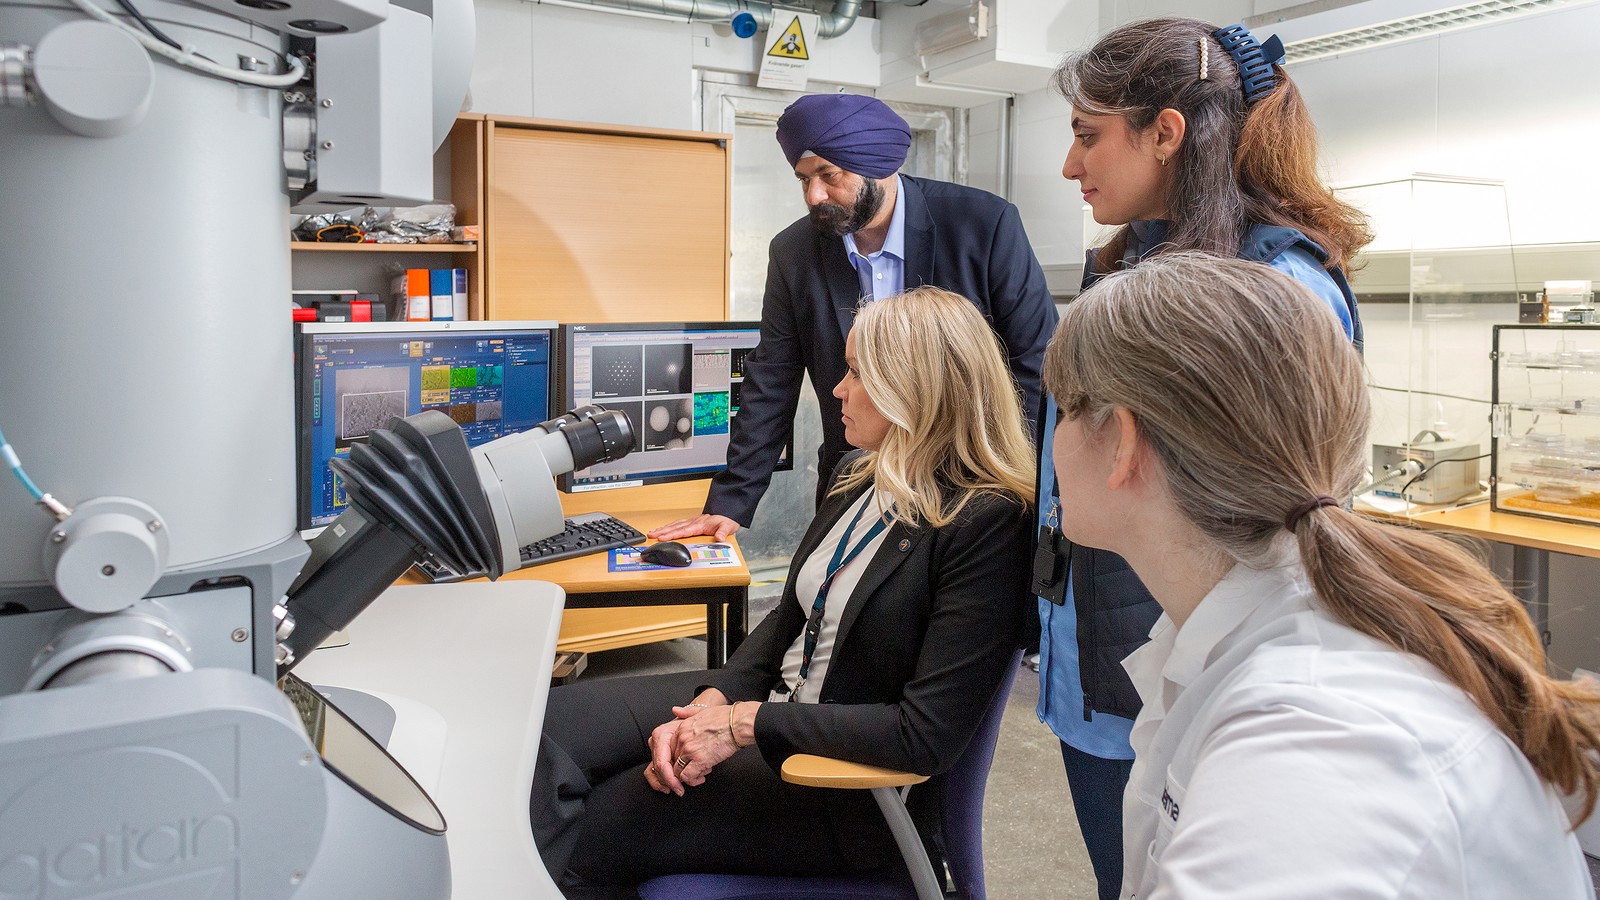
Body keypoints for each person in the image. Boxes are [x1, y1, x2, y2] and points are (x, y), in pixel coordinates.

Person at [1045, 252, 1600, 898]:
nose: (1052, 442)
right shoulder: (1241, 633)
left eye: (1066, 410)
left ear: (1124, 443)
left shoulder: (1308, 745)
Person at [532, 286, 1035, 896]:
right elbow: (787, 621)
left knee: (583, 825)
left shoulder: (987, 524)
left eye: (857, 373)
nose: (837, 390)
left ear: (915, 391)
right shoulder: (862, 475)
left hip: (835, 787)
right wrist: (716, 699)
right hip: (776, 704)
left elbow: (922, 735)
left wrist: (743, 725)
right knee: (544, 727)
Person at [1031, 19, 1375, 899]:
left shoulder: (1276, 287)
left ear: (1166, 132)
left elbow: (1282, 511)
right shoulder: (1136, 261)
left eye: (1085, 135)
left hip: (1195, 659)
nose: (1072, 167)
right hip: (1106, 651)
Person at [651, 92, 1057, 543]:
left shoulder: (983, 224)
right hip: (855, 477)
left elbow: (1034, 363)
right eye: (803, 179)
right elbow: (772, 379)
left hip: (971, 482)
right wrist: (731, 501)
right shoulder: (795, 252)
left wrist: (1018, 479)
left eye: (829, 175)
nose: (814, 195)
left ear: (879, 166)